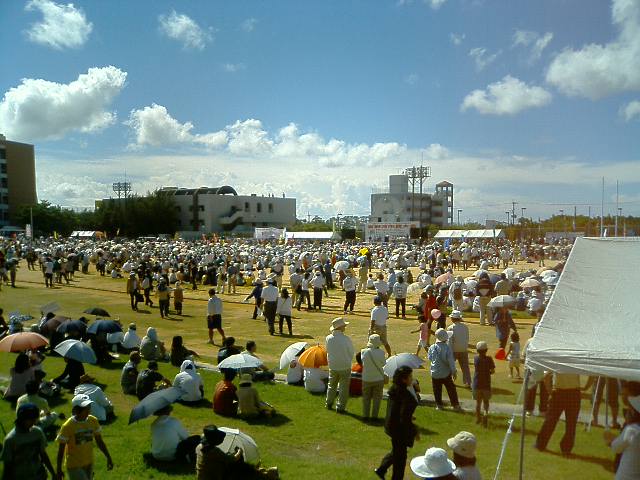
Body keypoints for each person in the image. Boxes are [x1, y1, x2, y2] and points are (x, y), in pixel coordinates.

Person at [375, 366, 419, 480]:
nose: (411, 379)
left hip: (392, 425)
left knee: (396, 452)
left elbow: (397, 409)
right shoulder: (405, 395)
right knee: (400, 459)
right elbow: (404, 417)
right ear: (404, 379)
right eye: (410, 377)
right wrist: (414, 430)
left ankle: (381, 469)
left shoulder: (395, 389)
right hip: (400, 431)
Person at [56, 394, 114, 480]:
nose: (88, 411)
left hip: (89, 462)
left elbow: (99, 441)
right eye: (85, 408)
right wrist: (59, 469)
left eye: (88, 407)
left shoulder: (93, 420)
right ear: (76, 410)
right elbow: (61, 450)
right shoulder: (68, 426)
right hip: (74, 465)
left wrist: (108, 457)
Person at [195, 425, 280, 480]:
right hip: (214, 477)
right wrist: (239, 452)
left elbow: (222, 459)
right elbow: (232, 459)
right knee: (240, 465)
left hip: (203, 476)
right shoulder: (214, 451)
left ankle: (263, 472)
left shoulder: (199, 447)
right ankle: (265, 474)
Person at [1, 403, 56, 480]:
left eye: (35, 419)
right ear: (22, 418)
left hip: (39, 475)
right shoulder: (10, 440)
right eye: (31, 420)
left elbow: (43, 454)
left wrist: (53, 473)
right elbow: (7, 467)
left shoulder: (37, 432)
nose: (34, 422)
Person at [535, 373, 582, 454]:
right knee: (571, 423)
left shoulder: (557, 360)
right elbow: (592, 374)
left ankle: (540, 445)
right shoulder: (577, 360)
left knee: (550, 421)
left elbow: (546, 376)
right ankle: (566, 449)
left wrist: (550, 391)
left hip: (559, 392)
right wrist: (587, 386)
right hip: (573, 393)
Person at [604, 394, 640, 480]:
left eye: (627, 411)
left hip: (626, 476)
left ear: (633, 413)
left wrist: (610, 440)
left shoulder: (631, 429)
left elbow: (617, 447)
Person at [325, 317, 355, 413]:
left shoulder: (328, 338)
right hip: (345, 365)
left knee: (331, 385)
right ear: (341, 327)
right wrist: (347, 360)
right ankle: (340, 406)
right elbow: (351, 352)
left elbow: (328, 351)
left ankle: (329, 403)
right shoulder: (346, 339)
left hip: (333, 365)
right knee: (343, 388)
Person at [428, 329, 462, 411]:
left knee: (437, 390)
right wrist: (454, 372)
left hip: (435, 372)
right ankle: (455, 405)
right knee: (451, 389)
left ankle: (439, 405)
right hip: (445, 372)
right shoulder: (447, 348)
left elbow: (430, 358)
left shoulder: (432, 347)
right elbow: (451, 361)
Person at [361, 334, 387, 421]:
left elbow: (363, 362)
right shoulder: (381, 353)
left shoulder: (363, 351)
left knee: (366, 398)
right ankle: (374, 416)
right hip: (378, 378)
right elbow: (384, 364)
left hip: (366, 378)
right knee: (377, 399)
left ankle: (365, 415)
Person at [472, 341, 495, 427]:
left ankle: (478, 418)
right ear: (486, 350)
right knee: (486, 402)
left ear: (477, 350)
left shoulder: (475, 358)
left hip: (477, 383)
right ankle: (485, 414)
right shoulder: (489, 359)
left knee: (478, 403)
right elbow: (492, 371)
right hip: (486, 384)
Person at [447, 310, 471, 387]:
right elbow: (467, 338)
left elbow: (449, 341)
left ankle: (449, 380)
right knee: (465, 367)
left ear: (453, 318)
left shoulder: (450, 328)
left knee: (450, 365)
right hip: (463, 349)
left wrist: (449, 352)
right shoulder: (465, 327)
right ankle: (467, 382)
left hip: (454, 349)